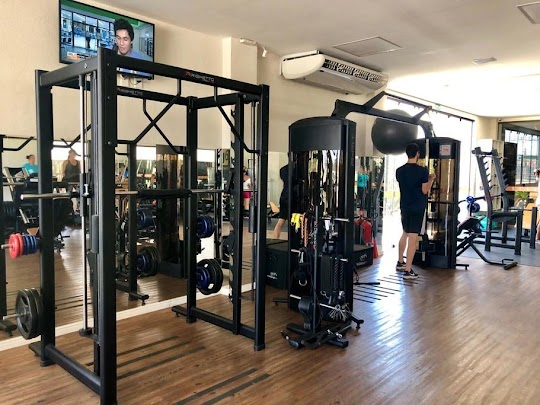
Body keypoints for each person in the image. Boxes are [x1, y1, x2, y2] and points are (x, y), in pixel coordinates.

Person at [395, 143, 435, 279]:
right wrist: (431, 180)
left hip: (404, 206)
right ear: (417, 154)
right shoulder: (422, 171)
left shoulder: (399, 171)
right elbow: (424, 190)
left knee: (405, 233)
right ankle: (407, 271)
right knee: (413, 238)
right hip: (417, 207)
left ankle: (400, 262)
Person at [274, 164, 290, 239]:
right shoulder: (297, 169)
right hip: (293, 195)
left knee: (280, 221)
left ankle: (275, 240)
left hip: (284, 195)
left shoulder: (283, 169)